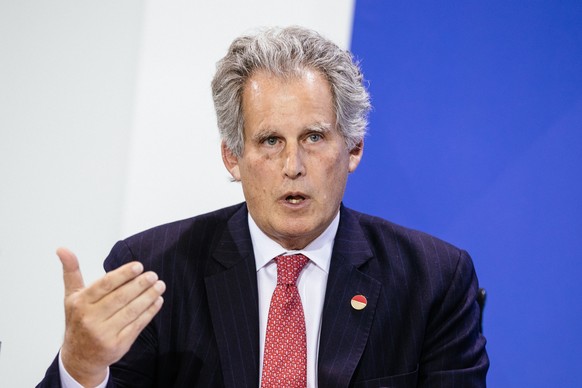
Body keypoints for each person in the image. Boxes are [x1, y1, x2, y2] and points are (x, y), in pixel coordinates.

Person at [38, 26, 488, 387]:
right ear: (232, 157)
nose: (293, 166)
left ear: (353, 149)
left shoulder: (432, 281)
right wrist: (81, 367)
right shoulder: (155, 272)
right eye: (270, 141)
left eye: (314, 138)